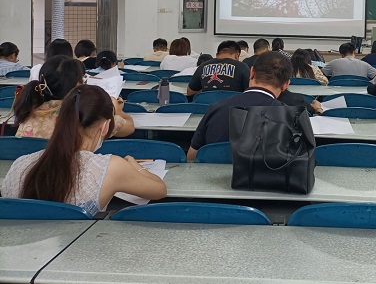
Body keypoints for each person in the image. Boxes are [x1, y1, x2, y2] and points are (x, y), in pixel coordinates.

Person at [2, 85, 166, 215]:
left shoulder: (20, 164)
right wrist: (134, 166)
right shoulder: (111, 167)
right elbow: (159, 190)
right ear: (105, 127)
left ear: (59, 121)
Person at [187, 52, 292, 160]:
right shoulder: (291, 118)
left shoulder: (216, 108)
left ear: (252, 72)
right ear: (285, 85)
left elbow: (192, 156)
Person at [13, 55, 133, 139]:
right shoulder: (83, 112)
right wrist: (117, 110)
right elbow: (129, 127)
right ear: (77, 85)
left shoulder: (28, 109)